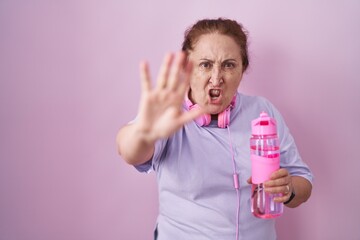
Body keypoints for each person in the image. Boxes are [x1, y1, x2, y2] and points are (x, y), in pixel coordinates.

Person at [116, 18, 313, 240]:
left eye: (228, 65)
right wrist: (143, 132)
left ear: (242, 69)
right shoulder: (168, 116)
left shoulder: (262, 112)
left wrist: (288, 189)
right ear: (186, 69)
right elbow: (129, 150)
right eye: (205, 64)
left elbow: (302, 182)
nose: (216, 78)